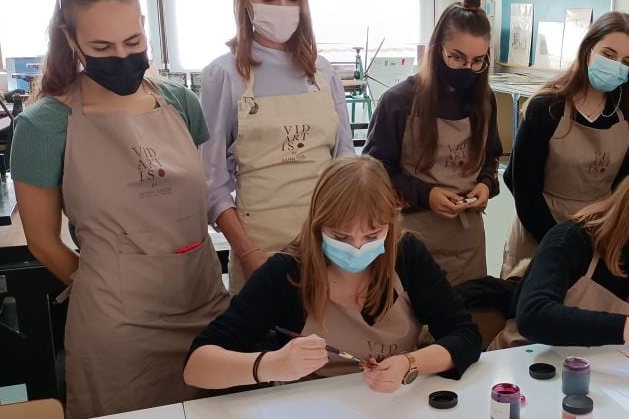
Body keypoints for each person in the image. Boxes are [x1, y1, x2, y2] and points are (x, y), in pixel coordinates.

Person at [11, 0, 228, 419]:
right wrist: (107, 285)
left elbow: (200, 199)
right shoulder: (45, 125)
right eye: (101, 47)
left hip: (204, 306)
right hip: (119, 330)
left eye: (133, 42)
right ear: (72, 41)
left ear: (145, 29)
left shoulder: (179, 104)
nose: (121, 56)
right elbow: (43, 241)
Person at [185, 156, 480, 390]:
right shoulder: (287, 272)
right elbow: (197, 366)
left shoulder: (406, 255)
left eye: (372, 235)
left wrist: (410, 363)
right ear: (317, 226)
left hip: (392, 412)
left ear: (391, 225)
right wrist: (270, 365)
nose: (357, 248)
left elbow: (465, 335)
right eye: (340, 237)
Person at [200, 0, 353, 293]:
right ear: (245, 2)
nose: (282, 10)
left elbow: (345, 162)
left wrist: (350, 244)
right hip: (259, 247)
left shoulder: (322, 71)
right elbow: (212, 184)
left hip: (329, 244)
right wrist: (249, 253)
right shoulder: (224, 75)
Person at [364, 0, 501, 285]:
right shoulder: (399, 101)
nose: (468, 69)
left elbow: (491, 157)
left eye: (478, 61)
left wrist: (485, 185)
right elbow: (375, 169)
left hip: (467, 240)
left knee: (469, 318)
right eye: (457, 57)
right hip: (411, 237)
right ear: (437, 48)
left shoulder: (484, 100)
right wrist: (425, 194)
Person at [491, 164, 629, 353]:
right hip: (523, 358)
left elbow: (598, 319)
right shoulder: (571, 239)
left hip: (581, 361)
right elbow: (533, 317)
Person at [500, 12, 629, 277]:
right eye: (609, 55)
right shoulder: (546, 108)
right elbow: (521, 183)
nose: (616, 66)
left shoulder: (627, 117)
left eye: (626, 62)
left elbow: (625, 185)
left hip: (596, 233)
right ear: (588, 49)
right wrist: (559, 244)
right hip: (538, 230)